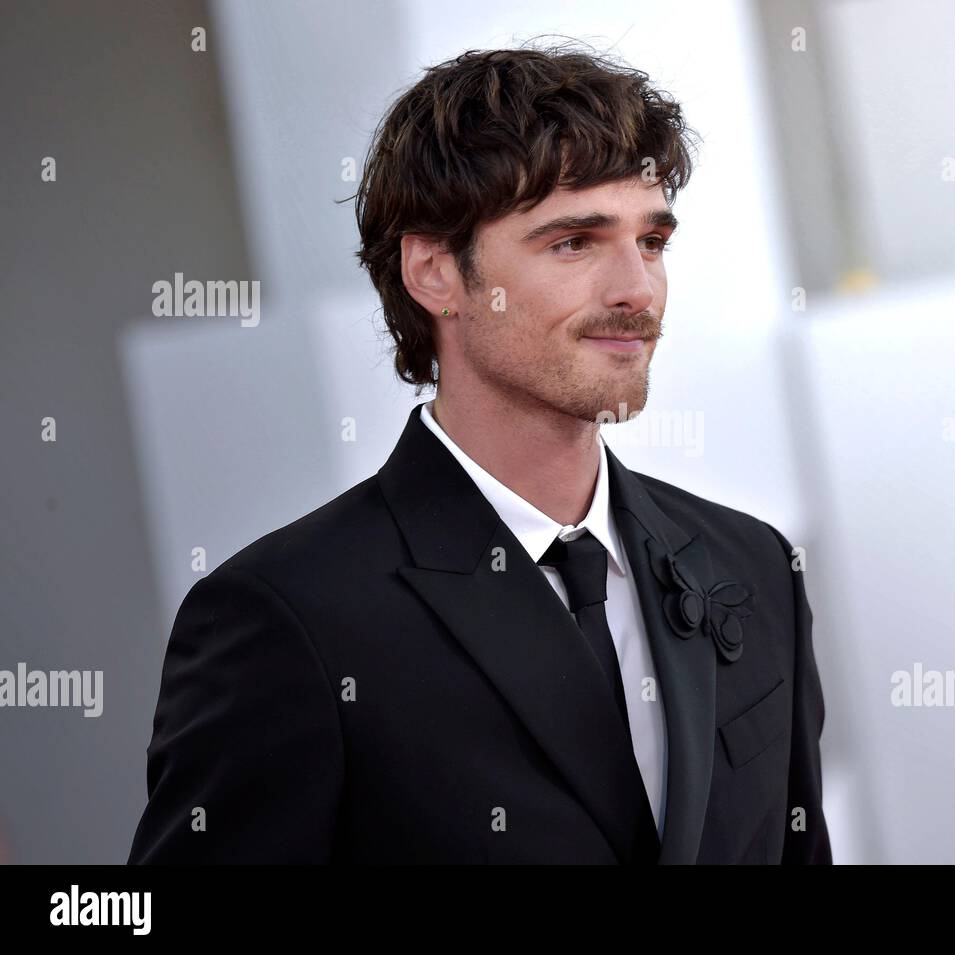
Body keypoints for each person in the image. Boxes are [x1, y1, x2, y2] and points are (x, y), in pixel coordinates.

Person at [127, 41, 831, 864]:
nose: (637, 289)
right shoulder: (289, 619)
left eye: (652, 240)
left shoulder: (752, 565)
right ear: (434, 273)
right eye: (574, 242)